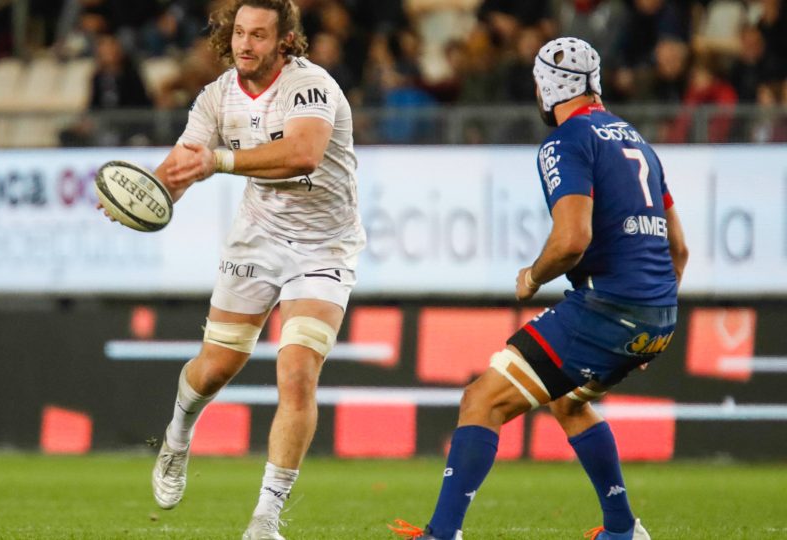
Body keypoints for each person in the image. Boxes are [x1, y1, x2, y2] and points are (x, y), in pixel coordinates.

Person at [391, 37, 688, 540]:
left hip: (608, 308)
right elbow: (677, 248)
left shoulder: (567, 140)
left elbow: (572, 239)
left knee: (481, 400)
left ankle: (442, 534)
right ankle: (622, 529)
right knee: (569, 402)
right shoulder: (637, 140)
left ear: (548, 85)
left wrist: (532, 276)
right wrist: (653, 315)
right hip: (658, 312)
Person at [98, 1, 364, 538]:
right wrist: (144, 192)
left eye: (260, 35)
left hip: (324, 249)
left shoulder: (311, 86)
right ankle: (177, 437)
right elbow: (183, 163)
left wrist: (219, 161)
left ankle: (266, 517)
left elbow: (304, 153)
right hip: (257, 241)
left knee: (296, 374)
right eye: (240, 32)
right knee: (217, 367)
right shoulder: (216, 97)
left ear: (285, 41)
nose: (246, 44)